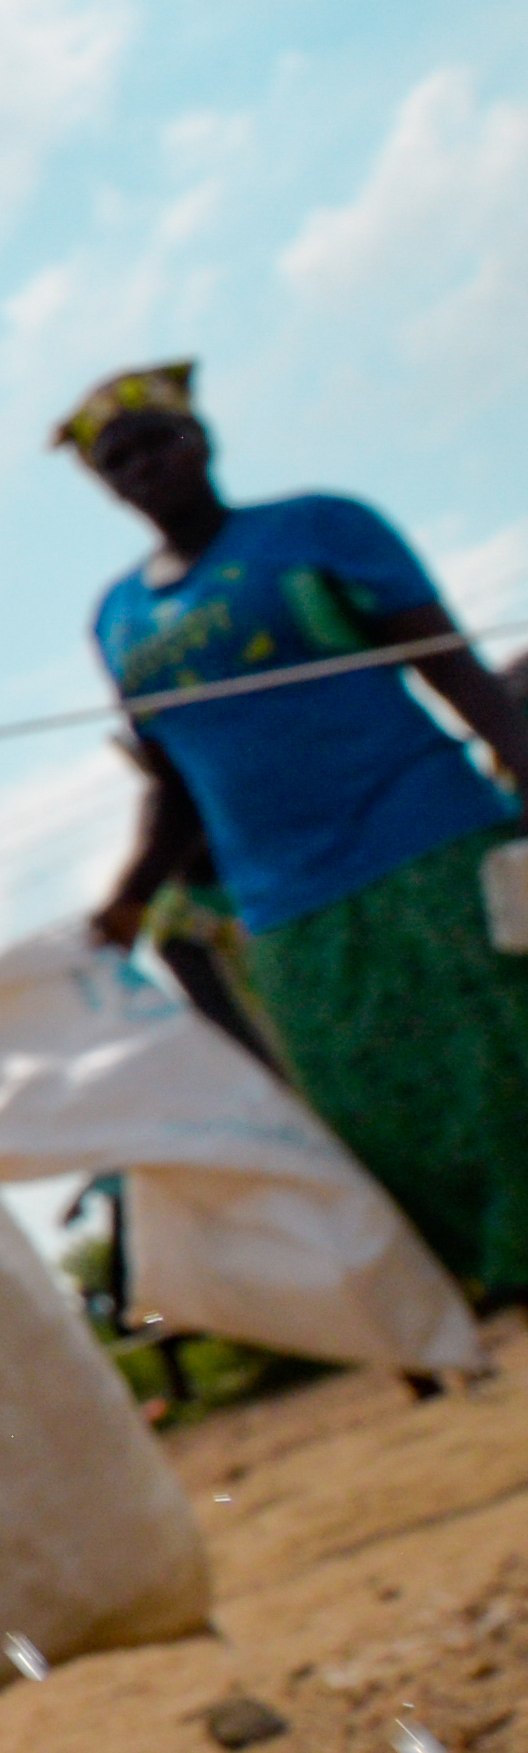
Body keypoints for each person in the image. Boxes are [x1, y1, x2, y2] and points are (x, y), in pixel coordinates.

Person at [68, 364, 528, 1294]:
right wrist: (126, 900)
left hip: (428, 848)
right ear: (107, 488)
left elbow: (450, 663)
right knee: (386, 1119)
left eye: (158, 440)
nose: (145, 466)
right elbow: (176, 785)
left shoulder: (317, 528)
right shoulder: (118, 620)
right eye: (120, 459)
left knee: (506, 1077)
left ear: (202, 439)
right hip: (288, 918)